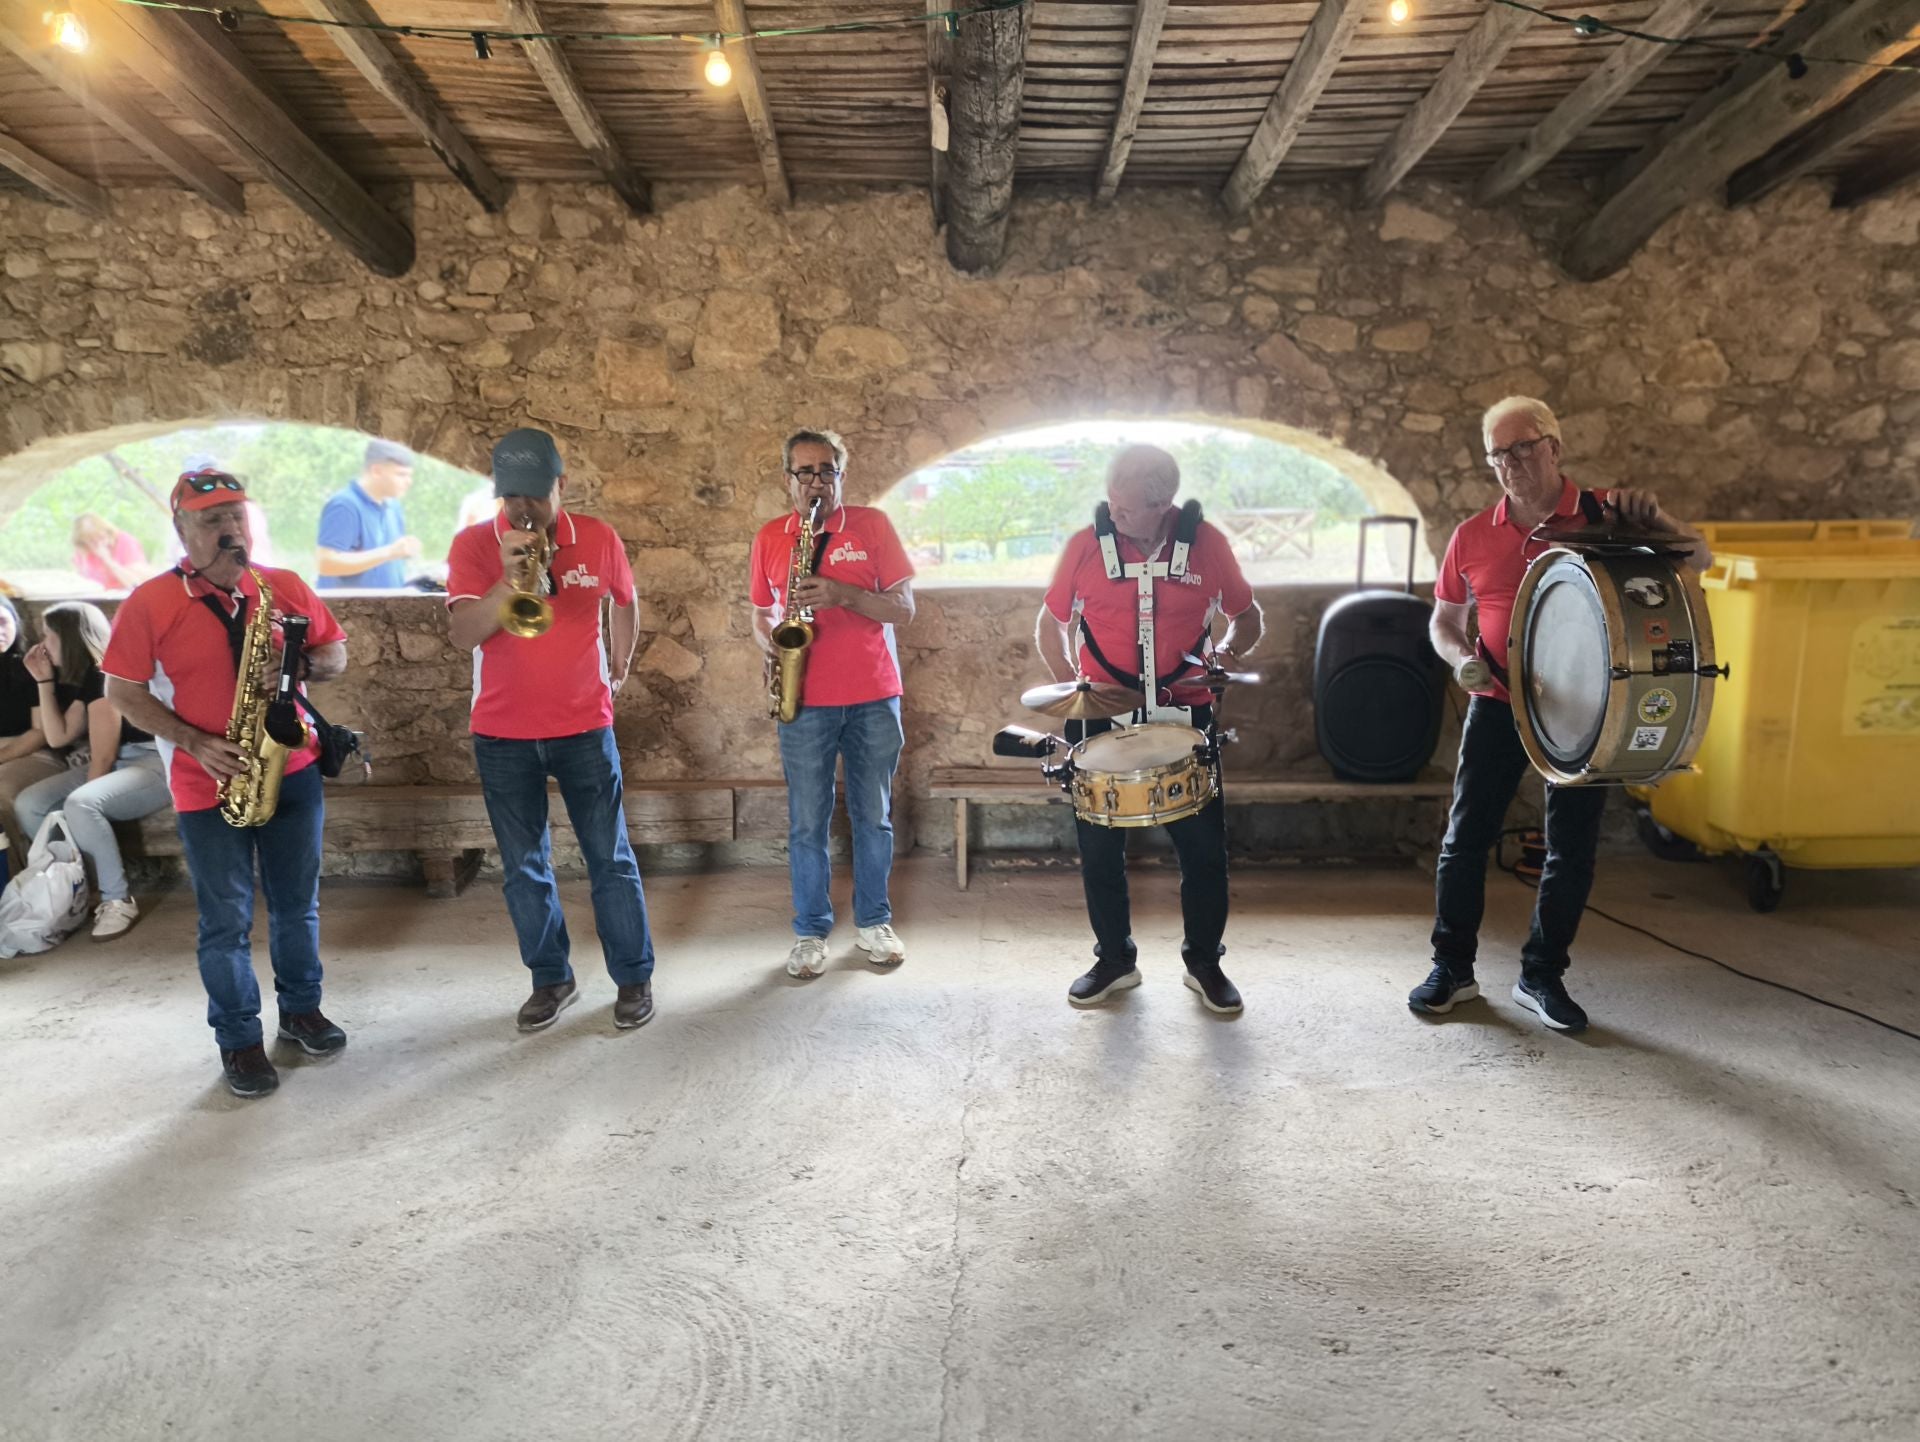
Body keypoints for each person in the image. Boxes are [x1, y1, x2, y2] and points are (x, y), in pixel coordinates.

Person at [1412, 396, 1712, 1034]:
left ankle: (1541, 975)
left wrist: (1657, 522)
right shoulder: (1471, 534)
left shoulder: (1609, 514)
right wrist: (1461, 657)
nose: (1512, 462)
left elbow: (1699, 558)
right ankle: (1452, 969)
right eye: (1499, 453)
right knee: (1464, 841)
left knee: (1570, 849)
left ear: (1554, 447)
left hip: (1590, 711)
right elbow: (1443, 619)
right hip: (1497, 704)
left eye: (1523, 447)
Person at [102, 466, 350, 1098]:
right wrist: (192, 741)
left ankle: (299, 1010)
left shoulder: (283, 586)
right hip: (204, 781)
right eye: (212, 520)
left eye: (237, 516)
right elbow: (122, 691)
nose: (230, 529)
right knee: (225, 920)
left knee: (298, 905)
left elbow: (335, 653)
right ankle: (239, 1040)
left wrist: (297, 668)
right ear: (181, 528)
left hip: (289, 770)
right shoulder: (150, 601)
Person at [1033, 444, 1265, 1014]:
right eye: (1110, 499)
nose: (1114, 511)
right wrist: (1070, 686)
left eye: (1128, 504)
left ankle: (1204, 963)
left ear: (1162, 503)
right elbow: (1052, 620)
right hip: (1101, 713)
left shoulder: (1207, 545)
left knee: (1204, 850)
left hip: (1186, 714)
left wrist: (1229, 655)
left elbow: (1247, 615)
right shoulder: (1085, 546)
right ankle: (1114, 960)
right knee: (1098, 846)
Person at [446, 428, 657, 1033]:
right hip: (502, 733)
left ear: (560, 486)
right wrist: (507, 583)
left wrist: (620, 663)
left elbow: (624, 599)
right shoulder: (472, 545)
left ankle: (634, 978)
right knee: (524, 867)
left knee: (610, 859)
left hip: (585, 726)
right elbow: (464, 633)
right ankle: (551, 979)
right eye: (510, 495)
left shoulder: (597, 537)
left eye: (535, 495)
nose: (522, 508)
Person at [749, 429, 915, 980]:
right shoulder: (772, 536)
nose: (816, 481)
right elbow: (760, 611)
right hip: (806, 699)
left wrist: (842, 594)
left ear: (841, 475)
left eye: (827, 471)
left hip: (873, 696)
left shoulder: (872, 526)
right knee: (806, 822)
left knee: (874, 817)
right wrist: (771, 639)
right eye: (805, 472)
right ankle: (810, 930)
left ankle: (873, 922)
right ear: (788, 478)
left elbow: (904, 609)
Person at [15, 602, 170, 940]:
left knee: (81, 803)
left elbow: (102, 758)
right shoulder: (86, 676)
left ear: (68, 639)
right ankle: (73, 889)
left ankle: (117, 899)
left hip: (156, 761)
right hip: (123, 761)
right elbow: (58, 736)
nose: (41, 644)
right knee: (31, 803)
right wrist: (43, 681)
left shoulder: (105, 675)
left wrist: (82, 806)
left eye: (48, 635)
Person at [0, 596, 61, 866]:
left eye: (3, 622)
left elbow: (41, 732)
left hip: (32, 753)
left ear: (16, 622)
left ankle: (15, 884)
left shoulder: (29, 666)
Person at [316, 438, 420, 590]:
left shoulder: (393, 505)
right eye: (401, 475)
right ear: (376, 471)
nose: (408, 482)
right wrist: (389, 552)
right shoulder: (345, 506)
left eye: (410, 475)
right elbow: (326, 564)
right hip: (349, 611)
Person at [70, 514, 151, 591]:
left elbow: (135, 584)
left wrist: (107, 560)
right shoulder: (83, 551)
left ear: (106, 531)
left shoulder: (125, 542)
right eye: (91, 540)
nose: (97, 542)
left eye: (99, 536)